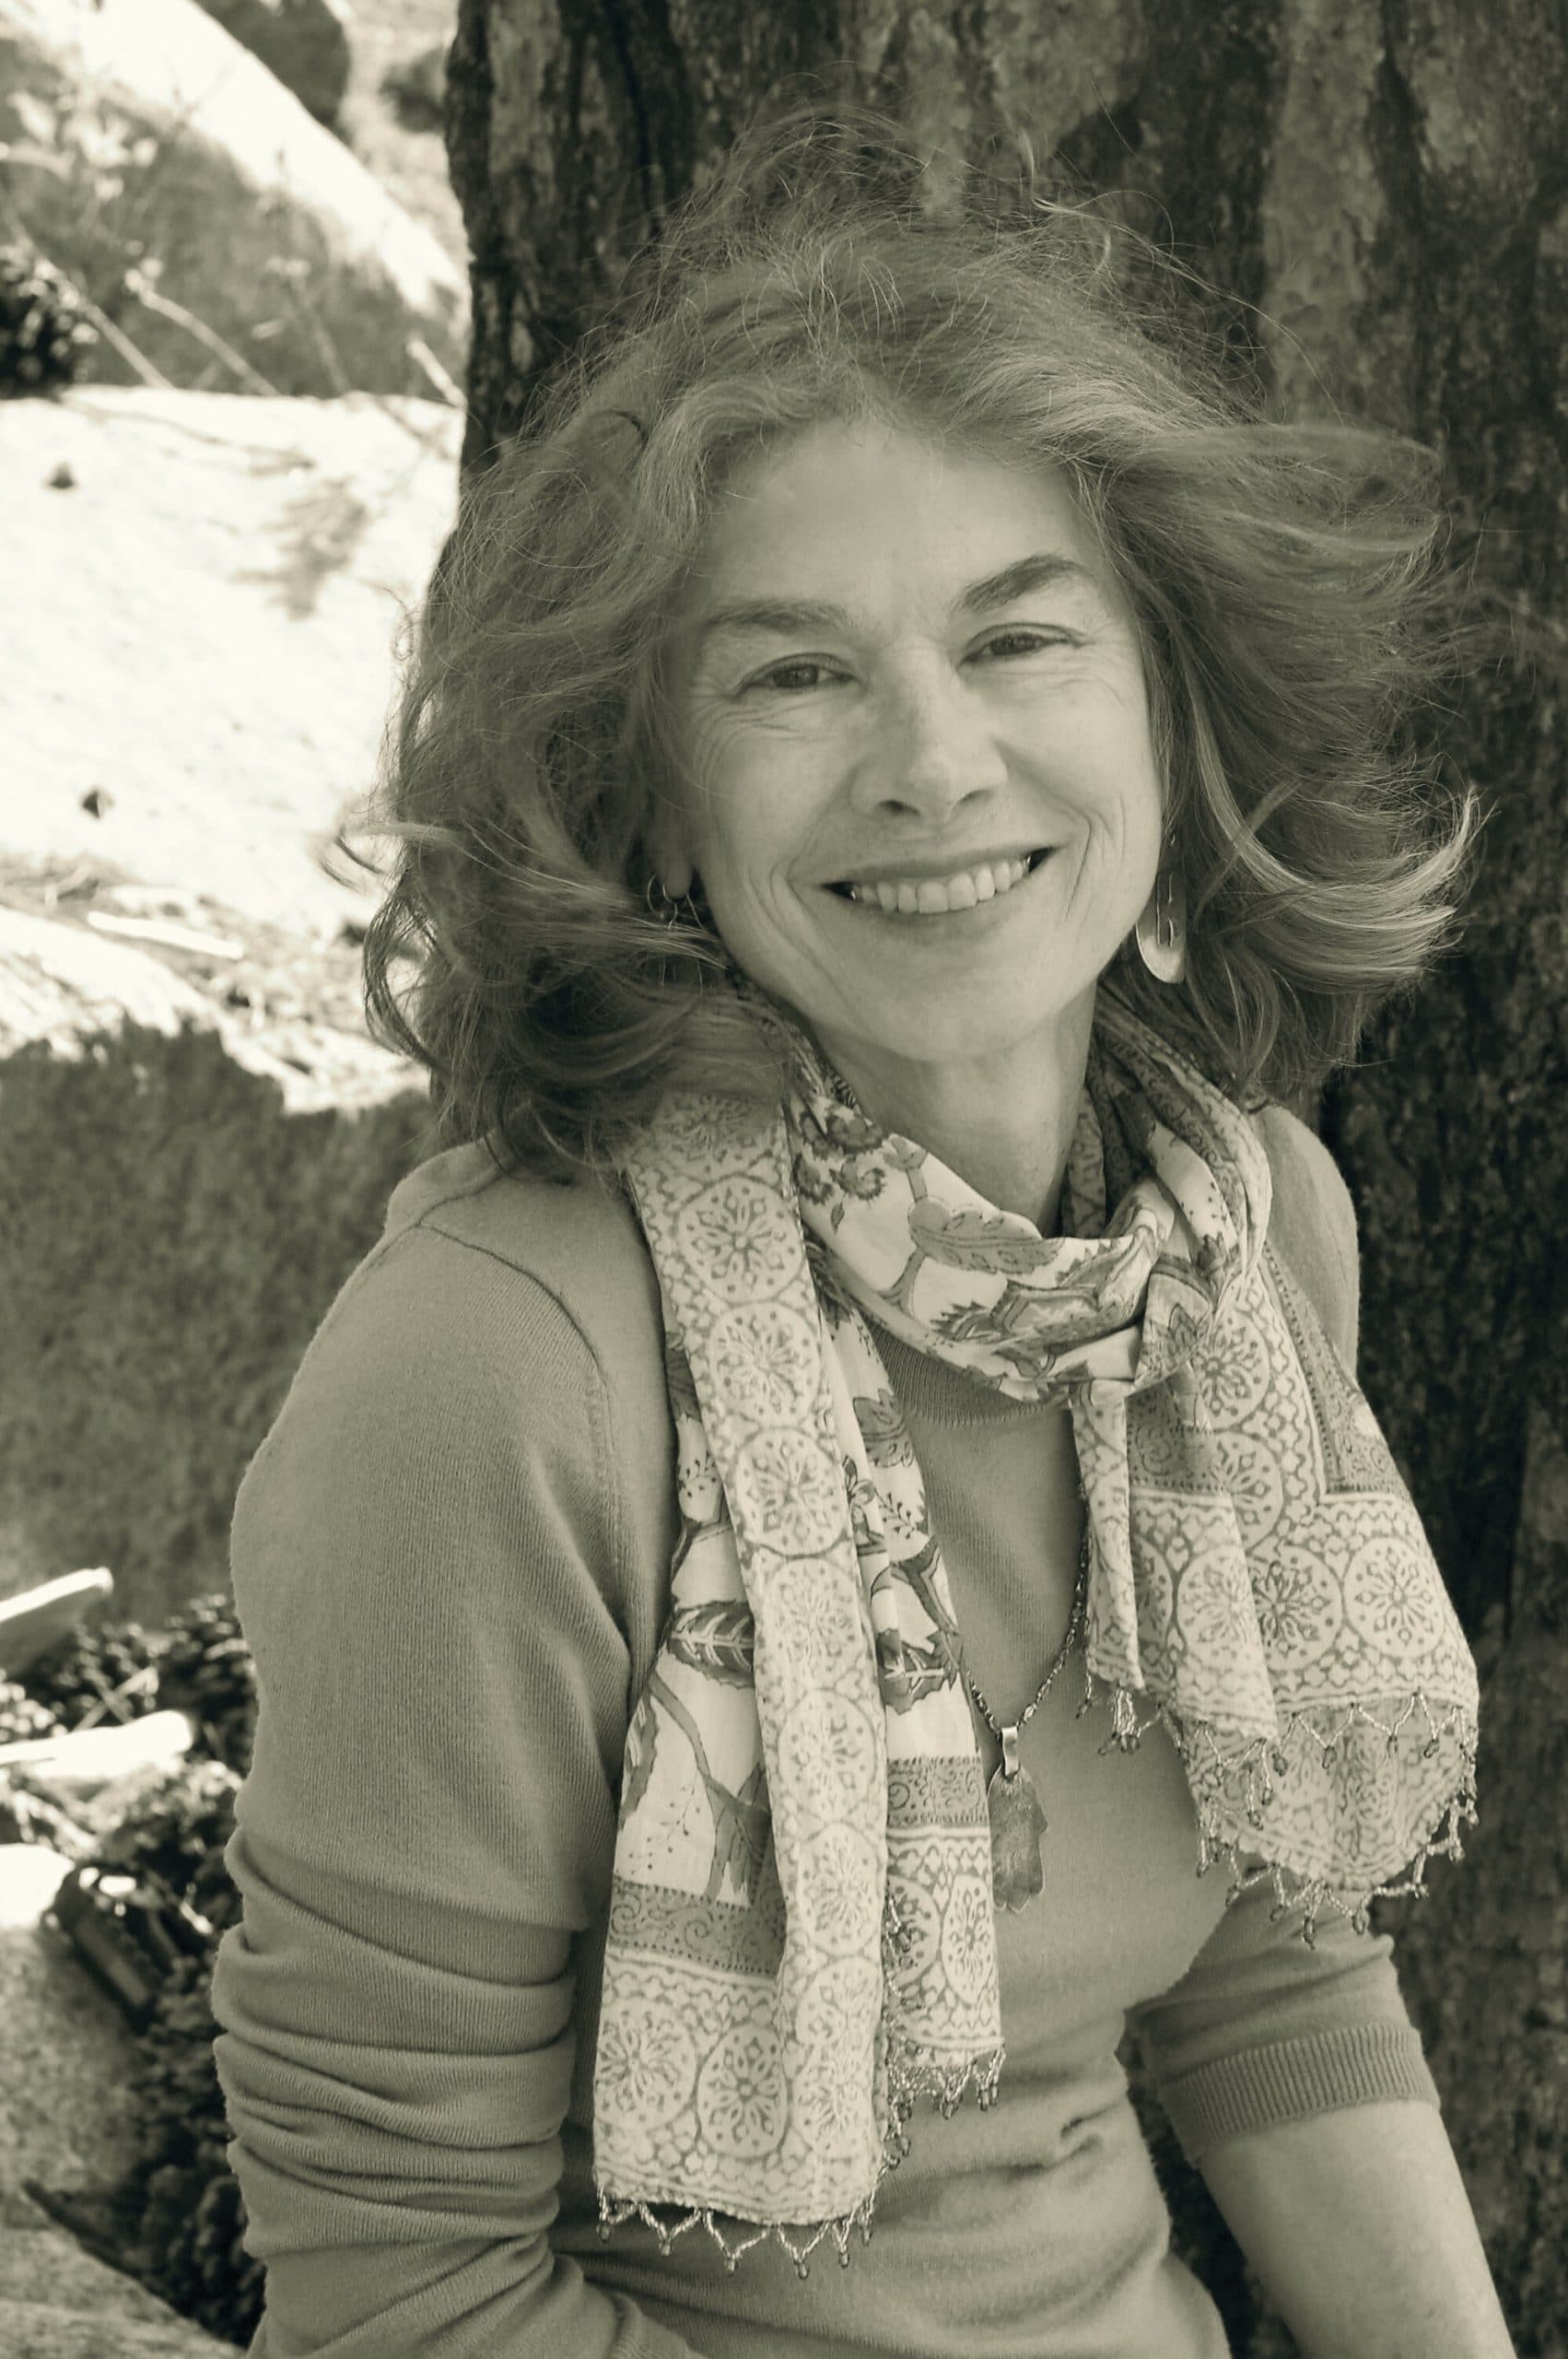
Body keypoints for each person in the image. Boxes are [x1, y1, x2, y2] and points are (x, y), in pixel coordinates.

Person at [208, 102, 1517, 2359]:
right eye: (791, 673)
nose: (929, 760)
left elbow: (1266, 1957)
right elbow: (399, 2284)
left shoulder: (1234, 1247)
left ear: (1171, 708)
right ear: (645, 795)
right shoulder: (501, 1370)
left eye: (1016, 639)